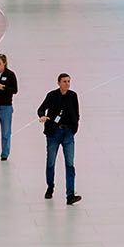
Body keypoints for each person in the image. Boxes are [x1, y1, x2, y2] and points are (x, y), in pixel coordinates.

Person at [37, 74, 81, 204]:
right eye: (64, 81)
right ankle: (50, 187)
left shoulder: (73, 96)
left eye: (68, 81)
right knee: (51, 161)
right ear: (58, 83)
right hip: (53, 133)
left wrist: (73, 128)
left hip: (68, 133)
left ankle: (70, 194)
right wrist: (42, 116)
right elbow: (41, 109)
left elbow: (76, 113)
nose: (67, 84)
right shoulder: (52, 95)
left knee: (70, 164)